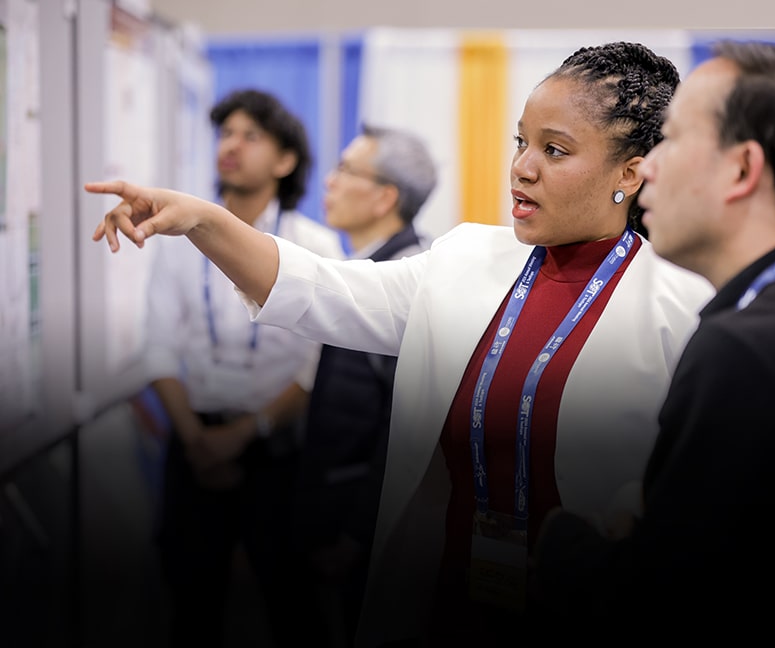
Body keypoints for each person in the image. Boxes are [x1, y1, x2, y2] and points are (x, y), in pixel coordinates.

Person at [85, 42, 714, 648]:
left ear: (630, 173)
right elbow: (320, 289)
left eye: (554, 149)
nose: (523, 167)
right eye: (521, 141)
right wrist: (204, 219)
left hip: (583, 610)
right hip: (449, 600)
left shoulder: (682, 306)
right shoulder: (467, 259)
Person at [530, 40, 775, 639]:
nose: (647, 168)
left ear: (741, 169)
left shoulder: (747, 351)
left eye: (671, 140)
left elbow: (667, 604)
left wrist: (566, 545)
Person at [138, 88, 343, 648]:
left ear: (285, 160)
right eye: (226, 133)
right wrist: (197, 440)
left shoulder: (315, 245)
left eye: (251, 136)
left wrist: (245, 433)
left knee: (293, 606)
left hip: (277, 450)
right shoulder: (177, 238)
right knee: (190, 605)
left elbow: (315, 366)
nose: (231, 145)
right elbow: (157, 346)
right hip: (194, 442)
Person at [294, 124, 437, 647]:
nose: (328, 182)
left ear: (385, 197)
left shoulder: (407, 283)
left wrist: (357, 534)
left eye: (346, 170)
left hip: (366, 526)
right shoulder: (364, 267)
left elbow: (406, 426)